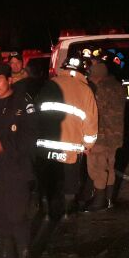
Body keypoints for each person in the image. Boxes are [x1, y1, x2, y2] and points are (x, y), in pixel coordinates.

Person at [0, 63, 38, 258]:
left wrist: (4, 146)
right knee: (0, 213)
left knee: (17, 215)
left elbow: (31, 137)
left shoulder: (24, 103)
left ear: (9, 80)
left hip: (17, 168)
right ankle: (6, 255)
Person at [36, 56, 98, 220]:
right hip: (70, 147)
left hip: (44, 144)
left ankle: (46, 212)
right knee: (70, 180)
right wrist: (88, 144)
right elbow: (90, 121)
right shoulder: (85, 90)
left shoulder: (49, 84)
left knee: (47, 178)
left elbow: (36, 112)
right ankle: (66, 213)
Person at [86, 57, 125, 211]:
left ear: (98, 77)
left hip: (100, 136)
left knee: (97, 168)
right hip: (115, 136)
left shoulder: (100, 90)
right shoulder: (118, 86)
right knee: (110, 166)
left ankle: (99, 201)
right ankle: (109, 199)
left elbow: (93, 112)